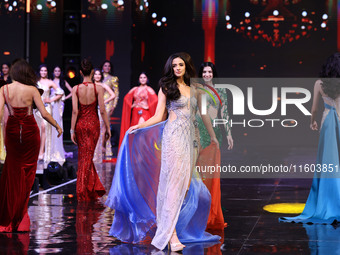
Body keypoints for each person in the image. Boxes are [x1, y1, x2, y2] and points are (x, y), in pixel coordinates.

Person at [106, 52, 220, 252]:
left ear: (186, 67)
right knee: (173, 187)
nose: (177, 68)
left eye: (181, 65)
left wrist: (213, 137)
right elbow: (159, 115)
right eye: (174, 65)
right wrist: (137, 127)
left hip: (191, 141)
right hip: (173, 138)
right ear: (171, 68)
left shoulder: (195, 89)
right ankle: (171, 234)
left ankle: (172, 227)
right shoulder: (167, 88)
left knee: (186, 187)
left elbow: (203, 115)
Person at [0, 59, 62, 232]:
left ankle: (10, 216)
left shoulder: (4, 89)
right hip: (29, 133)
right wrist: (57, 125)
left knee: (12, 172)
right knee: (27, 174)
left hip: (12, 133)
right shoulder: (32, 89)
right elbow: (43, 113)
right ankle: (21, 216)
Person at [280, 53, 340, 224]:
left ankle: (327, 202)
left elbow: (314, 109)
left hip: (327, 122)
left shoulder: (319, 84)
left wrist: (312, 122)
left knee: (328, 164)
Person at [197, 62, 233, 230]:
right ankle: (196, 211)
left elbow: (224, 114)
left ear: (213, 73)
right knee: (198, 172)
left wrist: (228, 134)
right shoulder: (197, 90)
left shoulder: (221, 92)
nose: (207, 74)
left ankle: (211, 212)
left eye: (210, 71)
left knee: (212, 173)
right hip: (198, 131)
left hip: (213, 134)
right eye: (204, 72)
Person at [70, 59, 110, 201]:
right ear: (92, 71)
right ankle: (85, 189)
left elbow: (75, 111)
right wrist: (108, 127)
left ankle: (86, 188)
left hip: (80, 125)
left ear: (80, 72)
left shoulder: (76, 89)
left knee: (84, 157)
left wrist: (71, 130)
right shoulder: (98, 88)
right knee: (87, 157)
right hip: (93, 125)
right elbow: (103, 110)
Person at [119, 72, 158, 147]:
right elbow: (126, 98)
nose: (142, 79)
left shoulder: (149, 89)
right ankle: (137, 154)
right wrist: (132, 105)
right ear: (139, 79)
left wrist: (147, 106)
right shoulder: (135, 89)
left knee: (140, 132)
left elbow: (156, 100)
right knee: (135, 134)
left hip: (144, 113)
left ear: (147, 79)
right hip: (135, 113)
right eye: (141, 77)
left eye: (144, 77)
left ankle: (142, 152)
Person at [35, 64, 64, 164]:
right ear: (39, 71)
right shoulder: (36, 82)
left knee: (44, 128)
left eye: (45, 71)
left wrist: (51, 99)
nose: (43, 72)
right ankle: (37, 151)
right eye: (42, 70)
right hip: (37, 109)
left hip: (46, 108)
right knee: (38, 128)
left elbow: (61, 92)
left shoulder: (50, 82)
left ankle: (42, 152)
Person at [92, 68, 115, 163]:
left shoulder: (103, 85)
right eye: (95, 74)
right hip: (90, 110)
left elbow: (113, 95)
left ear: (101, 76)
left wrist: (103, 102)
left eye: (99, 74)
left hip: (99, 109)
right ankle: (91, 154)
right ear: (93, 76)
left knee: (99, 131)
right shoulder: (90, 85)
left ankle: (98, 155)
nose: (97, 76)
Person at [101, 60, 119, 158]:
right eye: (105, 65)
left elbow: (116, 94)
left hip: (108, 104)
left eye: (108, 66)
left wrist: (113, 106)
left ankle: (104, 147)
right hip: (98, 103)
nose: (107, 67)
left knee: (105, 126)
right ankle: (98, 149)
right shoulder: (98, 77)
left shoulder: (113, 79)